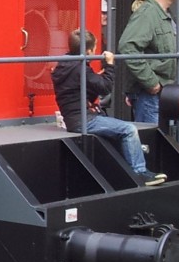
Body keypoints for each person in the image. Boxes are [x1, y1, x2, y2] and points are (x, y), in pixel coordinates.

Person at [52, 28, 166, 186]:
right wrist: (110, 65)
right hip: (83, 120)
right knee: (128, 129)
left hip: (75, 117)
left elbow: (82, 89)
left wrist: (96, 78)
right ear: (89, 50)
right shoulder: (80, 68)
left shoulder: (63, 66)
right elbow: (105, 87)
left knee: (118, 129)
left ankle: (135, 165)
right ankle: (140, 173)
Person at [117, 0, 179, 124]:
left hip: (162, 92)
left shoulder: (165, 14)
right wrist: (151, 82)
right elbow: (127, 46)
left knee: (157, 141)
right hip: (150, 93)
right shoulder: (147, 13)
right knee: (149, 142)